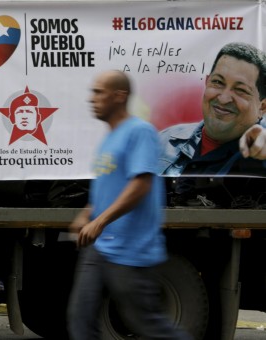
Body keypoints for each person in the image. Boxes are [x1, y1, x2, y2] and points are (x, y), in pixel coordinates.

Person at [67, 70, 190, 339]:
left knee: (146, 322)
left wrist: (100, 221)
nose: (92, 98)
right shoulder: (109, 137)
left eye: (99, 92)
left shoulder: (140, 132)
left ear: (119, 96)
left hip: (130, 250)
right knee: (80, 319)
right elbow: (108, 186)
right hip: (101, 247)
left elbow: (141, 185)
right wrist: (87, 213)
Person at [159, 42, 266, 177]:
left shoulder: (260, 157)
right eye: (217, 82)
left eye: (240, 90)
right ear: (207, 82)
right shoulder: (163, 141)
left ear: (262, 107)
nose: (223, 98)